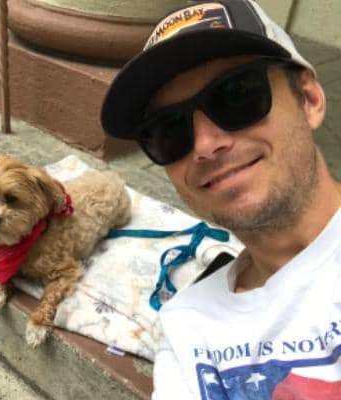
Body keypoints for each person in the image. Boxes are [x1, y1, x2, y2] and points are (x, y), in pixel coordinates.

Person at [101, 0, 341, 398]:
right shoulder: (187, 329)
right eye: (168, 130)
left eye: (236, 95)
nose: (205, 145)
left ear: (309, 99)